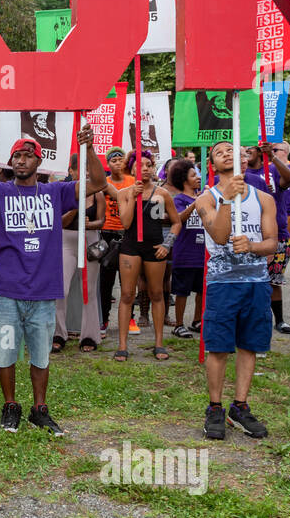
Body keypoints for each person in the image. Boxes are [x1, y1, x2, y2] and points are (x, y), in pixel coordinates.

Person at [0, 125, 104, 435]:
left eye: (28, 156)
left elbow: (98, 183)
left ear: (39, 162)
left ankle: (40, 408)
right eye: (17, 156)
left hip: (42, 290)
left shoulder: (56, 192)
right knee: (6, 351)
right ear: (10, 162)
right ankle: (10, 405)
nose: (21, 160)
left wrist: (89, 148)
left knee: (40, 353)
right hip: (6, 291)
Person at [195, 140, 278, 440]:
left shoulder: (264, 199)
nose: (227, 153)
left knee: (249, 344)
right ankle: (215, 407)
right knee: (218, 346)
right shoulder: (206, 199)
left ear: (244, 157)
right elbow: (218, 236)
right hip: (222, 284)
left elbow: (273, 242)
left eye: (231, 149)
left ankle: (240, 406)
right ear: (212, 165)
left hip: (256, 283)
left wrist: (253, 246)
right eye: (219, 152)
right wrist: (227, 200)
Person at [114, 151, 179, 361]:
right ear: (131, 169)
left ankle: (159, 343)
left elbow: (176, 222)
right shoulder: (123, 193)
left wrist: (167, 245)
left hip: (155, 246)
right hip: (131, 247)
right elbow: (125, 223)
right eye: (140, 165)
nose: (145, 168)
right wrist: (134, 195)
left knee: (157, 293)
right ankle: (122, 345)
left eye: (149, 164)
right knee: (126, 295)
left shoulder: (163, 194)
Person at [244, 141, 290, 336]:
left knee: (274, 281)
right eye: (245, 149)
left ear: (260, 151)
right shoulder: (239, 175)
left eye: (251, 148)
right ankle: (253, 319)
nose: (248, 151)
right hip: (251, 236)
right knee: (251, 281)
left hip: (278, 235)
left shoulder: (273, 171)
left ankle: (279, 320)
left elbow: (289, 179)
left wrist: (272, 157)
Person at [55, 152, 105, 353]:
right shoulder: (62, 191)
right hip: (66, 239)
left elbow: (102, 221)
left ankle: (90, 335)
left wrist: (90, 223)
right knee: (61, 289)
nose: (83, 173)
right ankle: (58, 333)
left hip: (90, 241)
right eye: (78, 169)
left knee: (89, 291)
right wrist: (75, 207)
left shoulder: (98, 193)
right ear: (71, 170)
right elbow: (59, 222)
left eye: (87, 169)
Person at [98, 148, 136, 334]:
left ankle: (130, 318)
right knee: (106, 280)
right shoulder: (104, 183)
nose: (118, 163)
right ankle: (103, 319)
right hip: (107, 233)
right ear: (108, 164)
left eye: (121, 159)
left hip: (127, 232)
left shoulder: (133, 181)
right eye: (114, 160)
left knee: (128, 280)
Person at [167, 160, 205, 337]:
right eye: (193, 175)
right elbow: (179, 219)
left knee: (201, 290)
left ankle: (197, 321)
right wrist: (194, 204)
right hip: (185, 253)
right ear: (183, 179)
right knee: (182, 291)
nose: (198, 177)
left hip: (202, 253)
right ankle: (179, 324)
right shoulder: (179, 199)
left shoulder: (205, 197)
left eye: (198, 174)